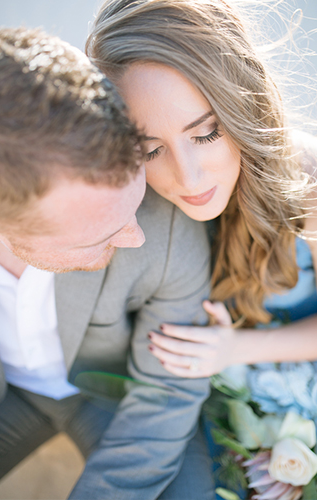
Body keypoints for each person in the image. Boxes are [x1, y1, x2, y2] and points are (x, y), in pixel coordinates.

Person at [0, 27, 215, 500]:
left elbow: (166, 393)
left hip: (118, 398)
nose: (134, 236)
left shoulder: (168, 227)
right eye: (101, 234)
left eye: (132, 205)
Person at [86, 0, 317, 390]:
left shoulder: (308, 181)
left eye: (206, 133)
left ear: (246, 103)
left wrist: (235, 349)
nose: (189, 180)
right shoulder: (120, 197)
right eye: (150, 150)